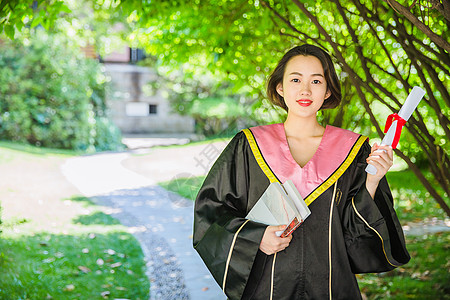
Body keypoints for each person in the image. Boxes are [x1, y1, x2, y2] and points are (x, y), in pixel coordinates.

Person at [193, 44, 410, 300]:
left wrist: (372, 182)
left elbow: (356, 239)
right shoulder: (249, 146)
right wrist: (255, 237)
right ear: (280, 87)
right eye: (295, 79)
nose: (305, 90)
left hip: (332, 288)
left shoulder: (353, 150)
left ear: (328, 90)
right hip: (267, 290)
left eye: (316, 81)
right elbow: (210, 214)